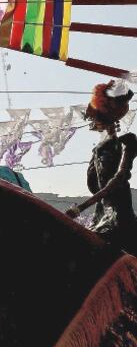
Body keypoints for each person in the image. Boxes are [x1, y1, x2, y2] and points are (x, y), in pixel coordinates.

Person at [66, 81, 136, 254]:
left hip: (118, 219)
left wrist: (79, 209)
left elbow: (117, 180)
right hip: (103, 215)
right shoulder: (100, 149)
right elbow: (96, 184)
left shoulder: (126, 142)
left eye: (94, 116)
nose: (91, 121)